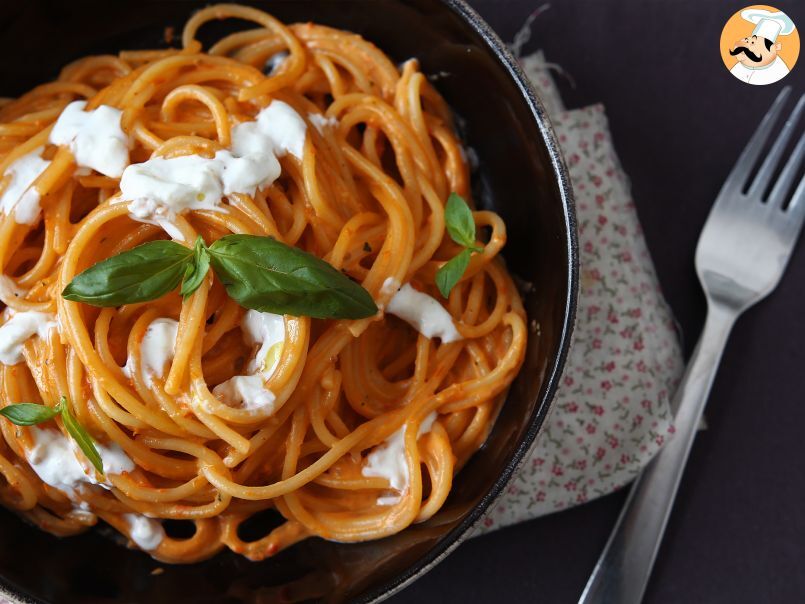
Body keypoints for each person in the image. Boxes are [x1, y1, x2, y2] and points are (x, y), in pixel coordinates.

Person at [729, 9, 796, 86]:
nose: (746, 47)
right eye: (747, 40)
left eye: (753, 43)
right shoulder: (738, 67)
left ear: (775, 48)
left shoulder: (779, 71)